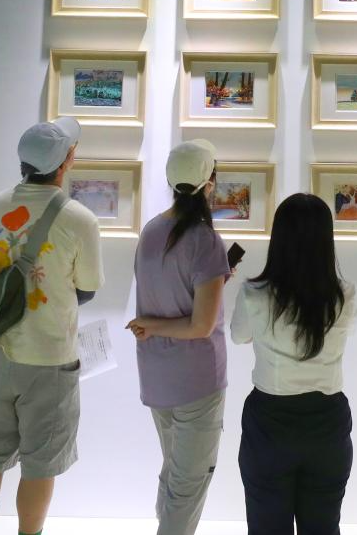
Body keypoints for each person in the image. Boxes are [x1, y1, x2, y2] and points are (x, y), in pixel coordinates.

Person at [0, 118, 103, 535]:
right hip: (49, 359)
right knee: (40, 466)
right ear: (67, 161)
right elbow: (88, 288)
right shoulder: (79, 219)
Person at [231, 193, 357, 534]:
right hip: (328, 421)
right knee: (323, 526)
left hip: (270, 422)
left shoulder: (254, 294)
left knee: (267, 527)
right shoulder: (344, 295)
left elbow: (239, 336)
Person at [125, 140, 232, 535]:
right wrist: (154, 325)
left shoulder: (151, 231)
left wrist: (154, 326)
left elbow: (169, 294)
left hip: (157, 376)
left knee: (174, 472)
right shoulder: (205, 240)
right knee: (188, 484)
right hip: (197, 382)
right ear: (210, 183)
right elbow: (200, 327)